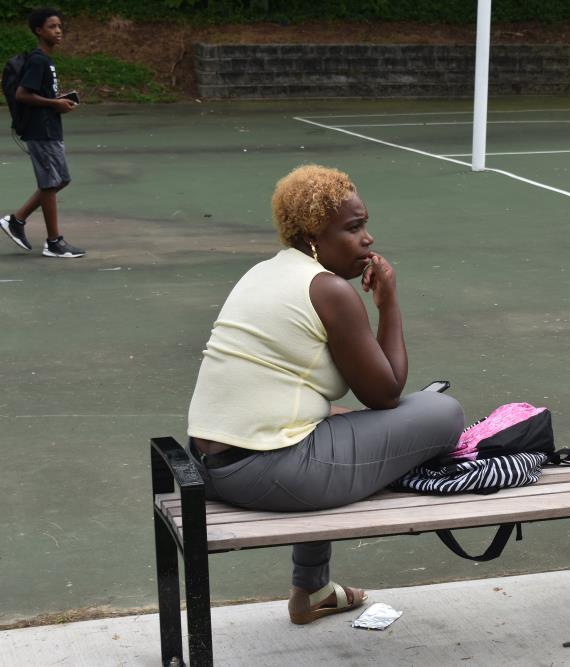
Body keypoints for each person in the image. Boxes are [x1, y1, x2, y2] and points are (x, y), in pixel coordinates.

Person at [187, 165, 465, 624]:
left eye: (365, 226)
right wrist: (389, 303)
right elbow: (387, 394)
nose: (368, 240)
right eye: (353, 228)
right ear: (315, 235)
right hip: (270, 472)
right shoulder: (329, 288)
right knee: (442, 411)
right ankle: (316, 578)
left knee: (330, 419)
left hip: (208, 465)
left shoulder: (266, 272)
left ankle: (312, 592)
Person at [0, 8, 85, 257]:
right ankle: (54, 242)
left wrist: (58, 101)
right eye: (51, 26)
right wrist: (54, 103)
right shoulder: (38, 60)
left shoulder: (46, 60)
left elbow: (38, 94)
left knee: (61, 179)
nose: (58, 30)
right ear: (39, 31)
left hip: (50, 127)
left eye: (59, 26)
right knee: (51, 183)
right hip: (41, 130)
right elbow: (22, 94)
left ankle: (17, 220)